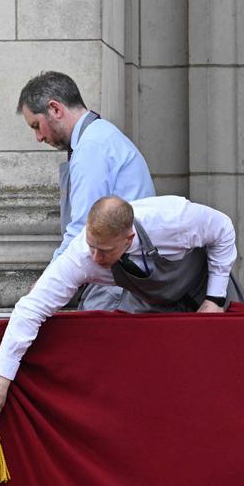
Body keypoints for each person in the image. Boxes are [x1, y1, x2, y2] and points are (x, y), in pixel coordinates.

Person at [0, 195, 237, 423]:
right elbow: (32, 308)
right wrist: (2, 380)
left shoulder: (173, 220)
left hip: (204, 296)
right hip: (155, 309)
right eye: (92, 246)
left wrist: (215, 298)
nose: (95, 257)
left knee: (220, 389)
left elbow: (223, 229)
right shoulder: (81, 255)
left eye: (104, 251)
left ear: (128, 239)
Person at [17, 71, 156, 309]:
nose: (39, 137)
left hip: (116, 283)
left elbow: (82, 230)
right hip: (123, 277)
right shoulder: (100, 137)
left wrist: (44, 287)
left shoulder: (92, 147)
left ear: (55, 109)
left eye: (36, 126)